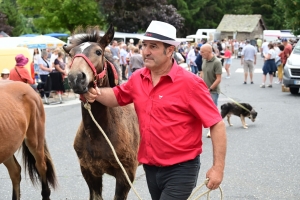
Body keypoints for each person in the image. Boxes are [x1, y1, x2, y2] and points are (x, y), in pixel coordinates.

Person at [82, 20, 226, 200]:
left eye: (154, 46)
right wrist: (92, 93)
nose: (146, 51)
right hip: (150, 167)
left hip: (180, 169)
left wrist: (217, 168)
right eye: (144, 46)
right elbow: (117, 96)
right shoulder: (138, 78)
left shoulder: (191, 84)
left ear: (170, 50)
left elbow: (217, 124)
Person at [200, 44, 223, 138]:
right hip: (204, 90)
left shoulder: (217, 62)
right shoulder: (204, 60)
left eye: (202, 52)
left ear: (209, 52)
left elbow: (218, 79)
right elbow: (203, 72)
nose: (201, 54)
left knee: (212, 111)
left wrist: (210, 89)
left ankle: (212, 129)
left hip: (212, 91)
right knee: (204, 110)